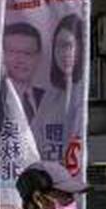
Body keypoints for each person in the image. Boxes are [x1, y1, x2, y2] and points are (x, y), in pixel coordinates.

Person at [32, 14, 84, 157]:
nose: (64, 53)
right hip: (48, 172)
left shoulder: (83, 93)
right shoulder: (51, 95)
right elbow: (34, 139)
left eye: (69, 46)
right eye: (59, 46)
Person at [2, 22, 46, 123]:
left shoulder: (48, 99)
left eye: (28, 53)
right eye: (13, 52)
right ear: (2, 54)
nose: (20, 60)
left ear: (38, 57)